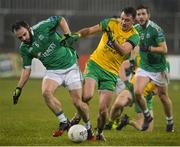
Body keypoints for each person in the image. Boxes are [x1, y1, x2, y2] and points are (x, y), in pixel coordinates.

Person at [11, 16, 95, 140]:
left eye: (24, 34)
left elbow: (60, 19)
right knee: (46, 92)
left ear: (29, 29)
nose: (23, 38)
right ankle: (63, 121)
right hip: (53, 71)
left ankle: (88, 129)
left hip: (70, 66)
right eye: (20, 38)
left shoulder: (42, 27)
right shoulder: (24, 48)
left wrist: (67, 34)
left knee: (78, 103)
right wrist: (19, 88)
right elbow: (26, 69)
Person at [69, 7, 140, 141]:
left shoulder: (134, 36)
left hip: (111, 74)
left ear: (133, 21)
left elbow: (124, 51)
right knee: (87, 96)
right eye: (122, 19)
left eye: (127, 20)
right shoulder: (111, 23)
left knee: (103, 112)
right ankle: (79, 116)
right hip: (95, 64)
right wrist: (76, 35)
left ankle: (100, 133)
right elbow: (90, 30)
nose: (123, 22)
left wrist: (113, 39)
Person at [134, 5, 174, 132]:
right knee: (137, 92)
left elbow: (164, 49)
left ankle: (170, 122)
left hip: (159, 68)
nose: (141, 16)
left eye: (143, 14)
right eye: (138, 14)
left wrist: (149, 48)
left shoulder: (156, 29)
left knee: (163, 96)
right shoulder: (135, 29)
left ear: (148, 15)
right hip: (144, 67)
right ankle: (147, 115)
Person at [104, 51, 156, 131]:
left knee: (147, 130)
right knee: (118, 103)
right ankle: (110, 123)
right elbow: (123, 66)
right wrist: (126, 83)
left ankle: (128, 121)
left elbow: (161, 88)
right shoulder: (139, 57)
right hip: (132, 89)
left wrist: (152, 93)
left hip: (145, 97)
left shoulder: (161, 66)